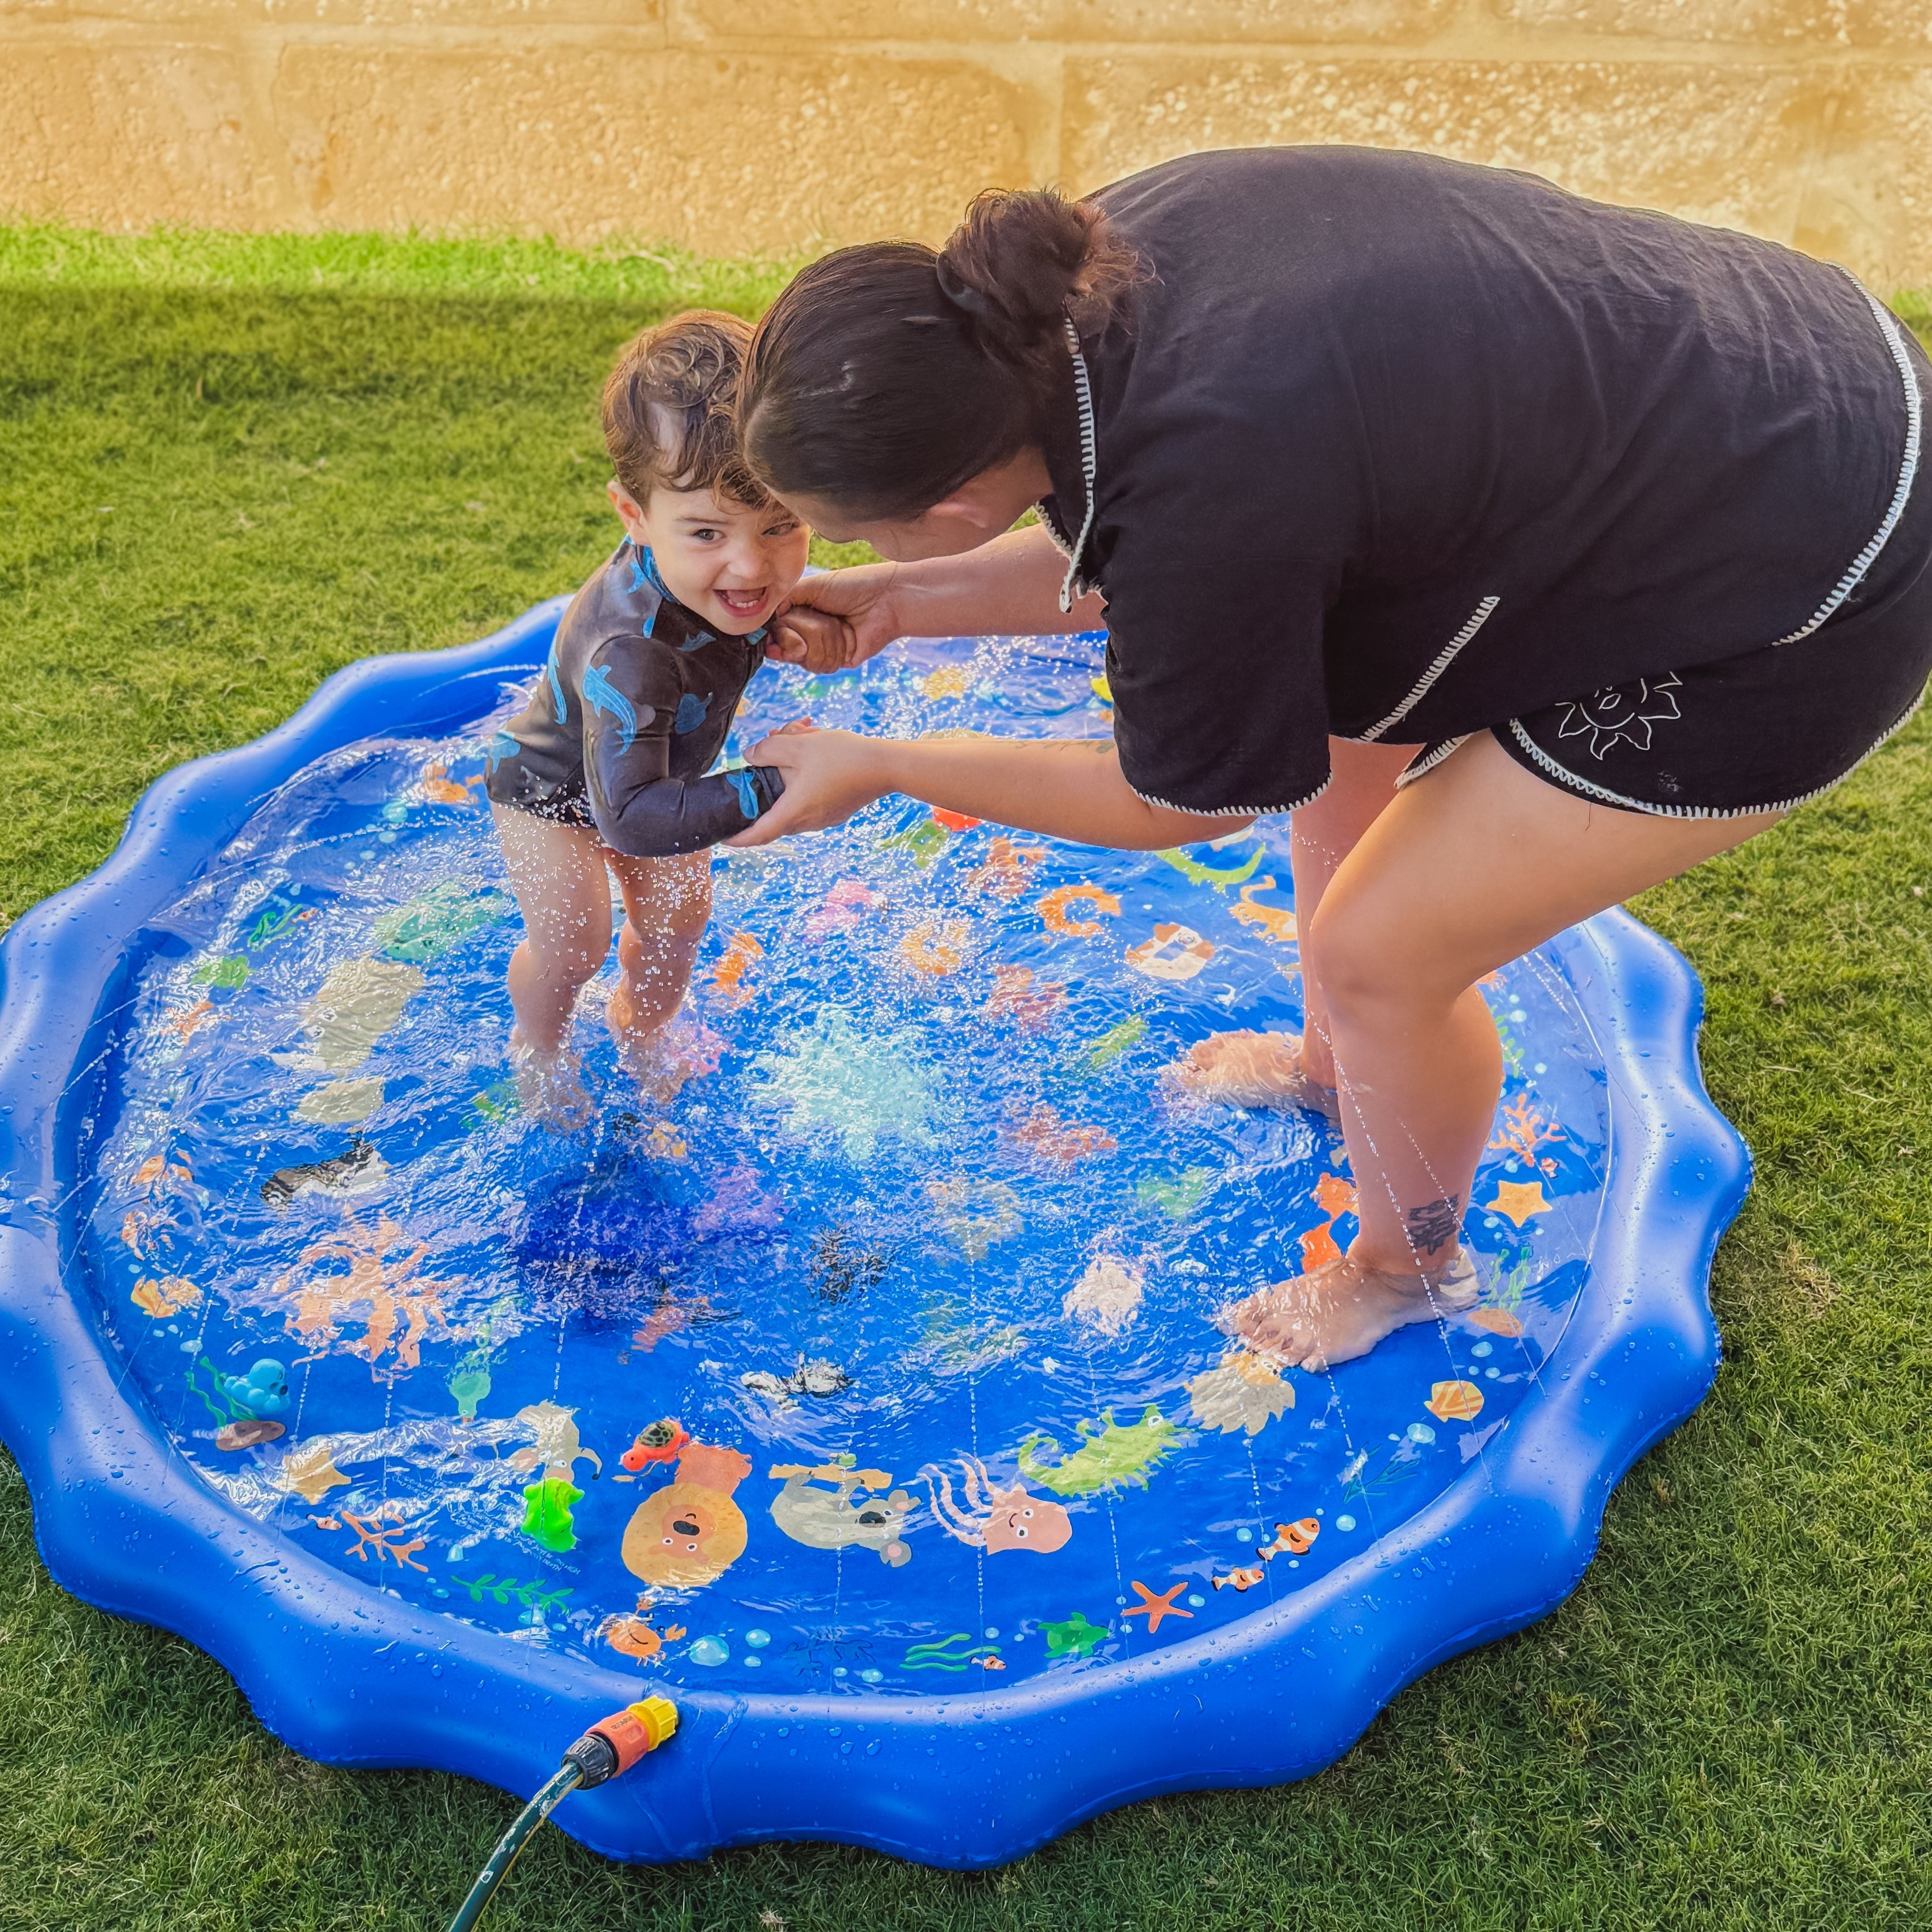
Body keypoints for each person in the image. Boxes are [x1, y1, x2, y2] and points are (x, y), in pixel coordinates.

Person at [725, 148, 1932, 1368]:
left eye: (855, 535)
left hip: (1820, 578)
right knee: (1340, 729)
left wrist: (884, 761)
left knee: (1381, 952)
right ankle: (1333, 1061)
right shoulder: (1084, 278)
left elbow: (1176, 794)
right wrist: (905, 600)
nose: (851, 548)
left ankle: (1402, 1267)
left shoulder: (1205, 475)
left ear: (947, 506)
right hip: (1781, 369)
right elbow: (1197, 555)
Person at [485, 310, 834, 1127]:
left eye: (781, 524)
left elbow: (748, 597)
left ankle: (643, 1029)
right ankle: (538, 1046)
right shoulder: (630, 654)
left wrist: (787, 623)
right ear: (633, 514)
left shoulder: (725, 581)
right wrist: (773, 786)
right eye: (708, 532)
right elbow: (635, 821)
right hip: (553, 791)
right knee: (575, 941)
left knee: (679, 919)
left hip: (656, 775)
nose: (752, 566)